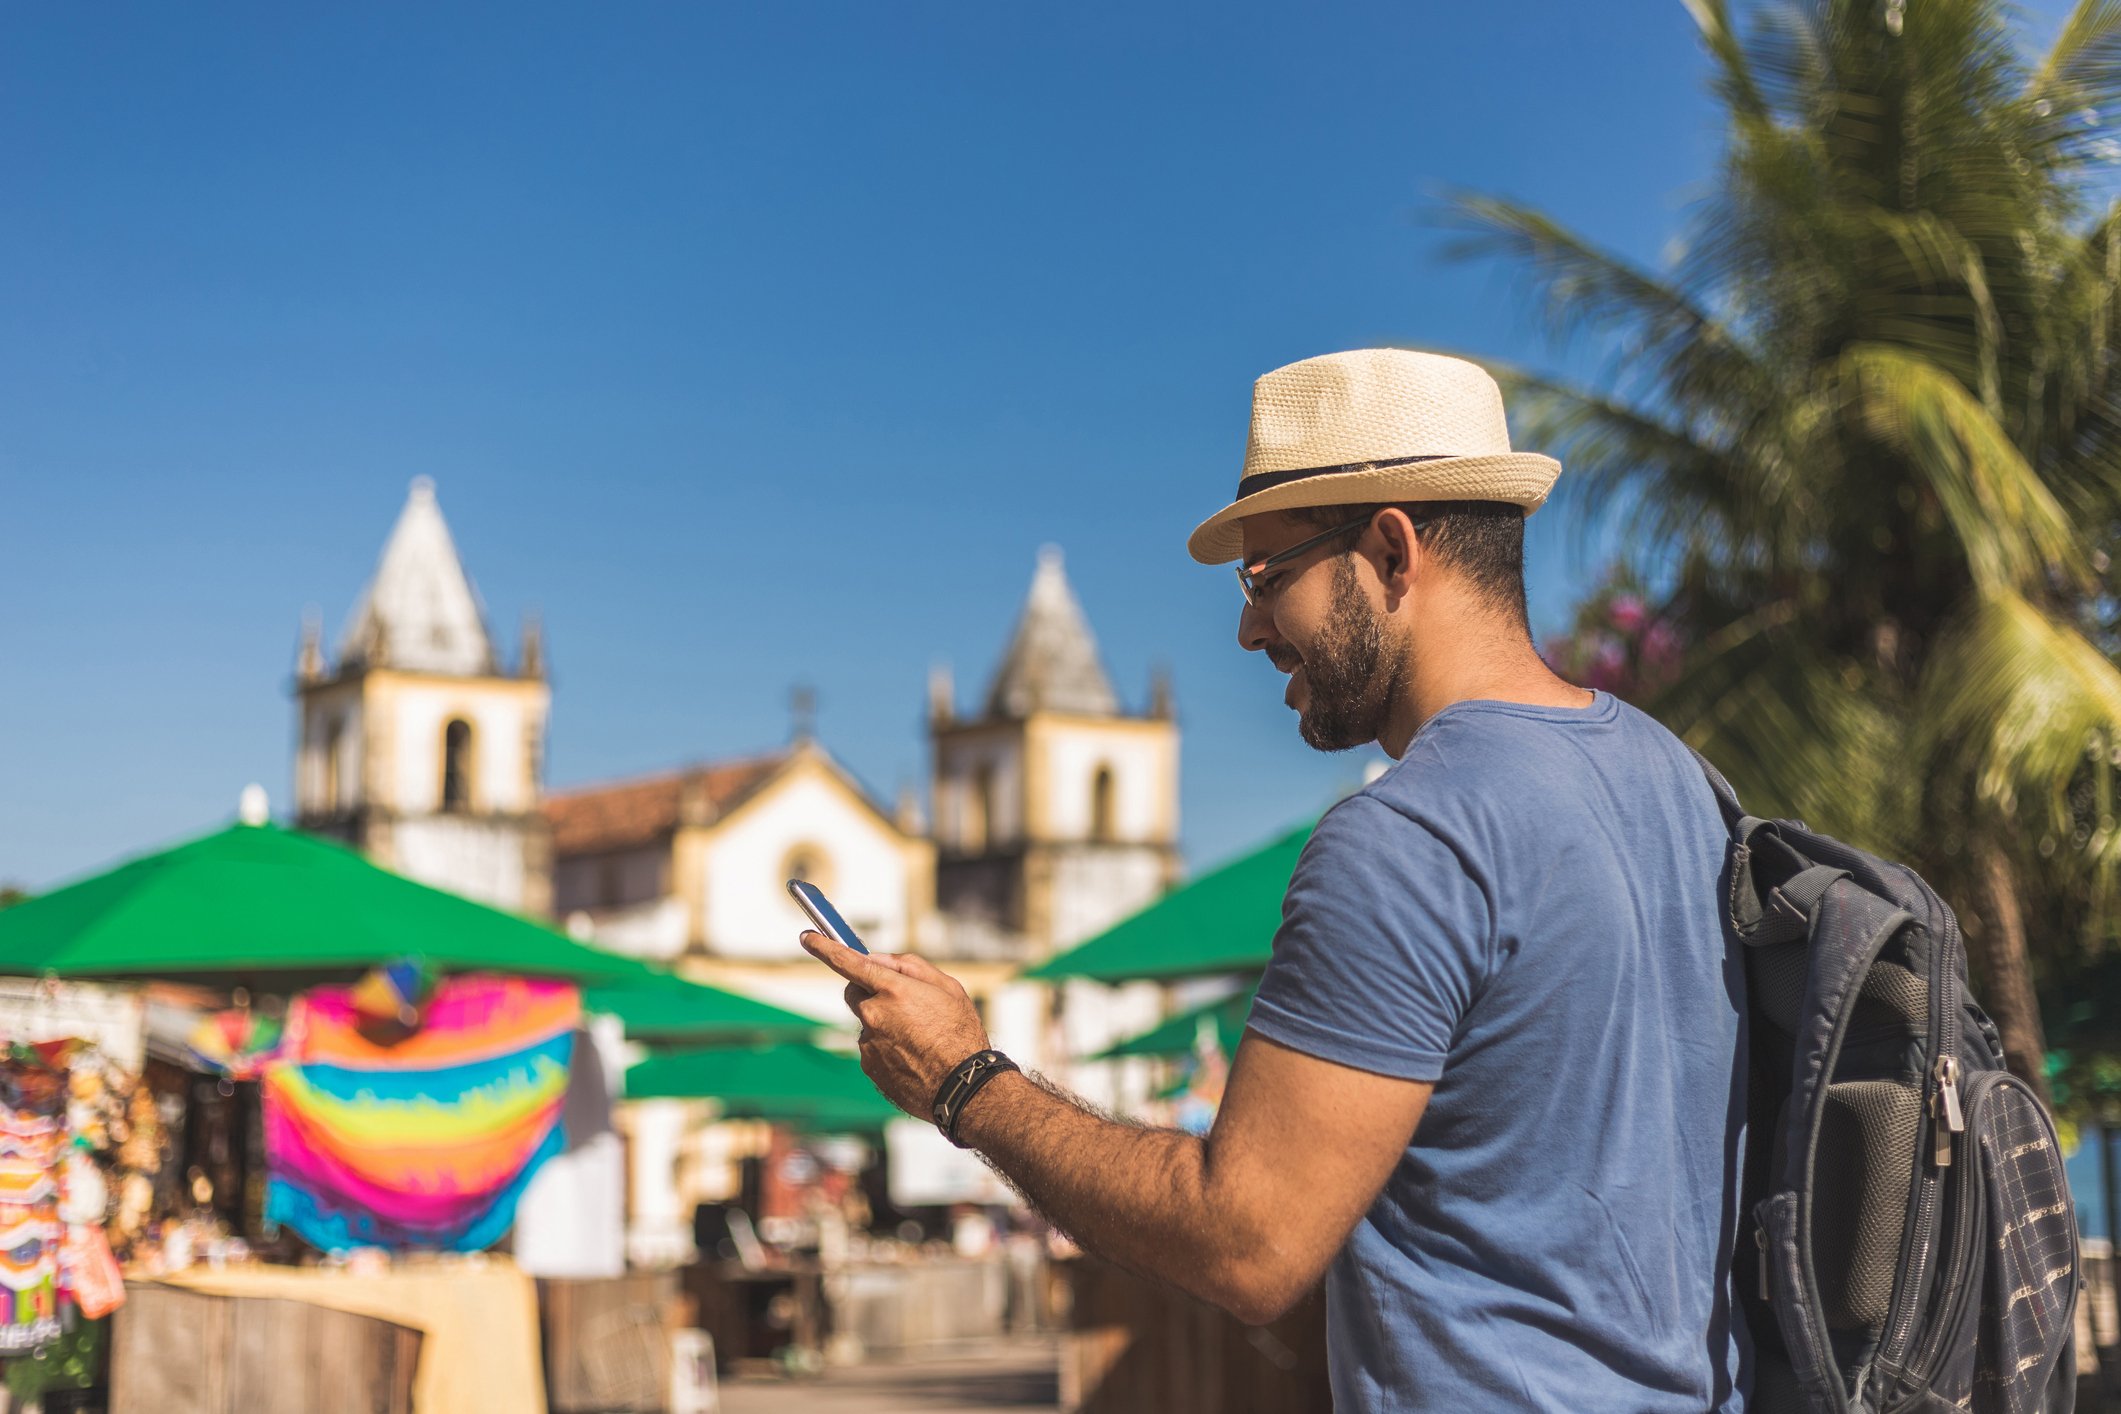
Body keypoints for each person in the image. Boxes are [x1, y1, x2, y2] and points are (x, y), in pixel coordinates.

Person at [801, 349, 1747, 1412]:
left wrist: (966, 1081)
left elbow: (1247, 1241)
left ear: (1390, 549)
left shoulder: (1410, 837)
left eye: (1267, 577)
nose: (1249, 629)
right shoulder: (1682, 784)